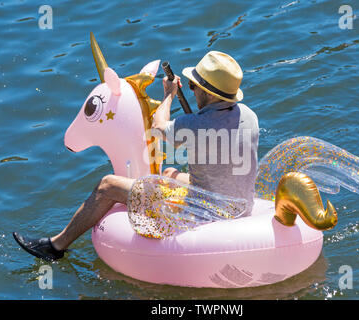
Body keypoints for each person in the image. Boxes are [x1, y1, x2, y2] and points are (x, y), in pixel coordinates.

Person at [13, 51, 259, 261]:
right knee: (169, 173)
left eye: (194, 86)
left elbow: (159, 124)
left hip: (209, 213)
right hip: (240, 205)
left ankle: (55, 246)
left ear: (207, 91)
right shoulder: (249, 115)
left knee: (107, 185)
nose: (192, 91)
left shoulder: (195, 126)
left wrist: (169, 95)